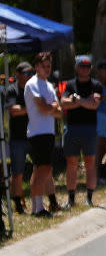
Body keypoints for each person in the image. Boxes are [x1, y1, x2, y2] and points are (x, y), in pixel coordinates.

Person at [60, 56, 105, 208]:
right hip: (72, 128)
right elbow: (63, 103)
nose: (85, 68)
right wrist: (85, 101)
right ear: (76, 67)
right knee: (71, 163)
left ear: (90, 68)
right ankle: (71, 199)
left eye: (87, 66)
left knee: (90, 162)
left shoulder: (96, 85)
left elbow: (95, 105)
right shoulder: (70, 85)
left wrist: (77, 100)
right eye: (82, 65)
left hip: (90, 129)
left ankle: (89, 197)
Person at [24, 52, 62, 216]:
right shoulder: (32, 84)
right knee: (43, 169)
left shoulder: (48, 85)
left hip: (48, 132)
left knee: (42, 169)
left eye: (49, 66)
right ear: (36, 66)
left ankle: (38, 206)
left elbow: (59, 112)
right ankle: (38, 208)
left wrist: (52, 106)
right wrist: (52, 106)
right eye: (44, 66)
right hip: (37, 133)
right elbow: (44, 108)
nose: (47, 69)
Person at [6, 62, 33, 214]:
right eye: (26, 73)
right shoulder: (12, 90)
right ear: (18, 74)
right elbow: (14, 110)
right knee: (17, 173)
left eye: (31, 73)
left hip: (34, 135)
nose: (29, 77)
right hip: (18, 138)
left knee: (42, 168)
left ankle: (41, 200)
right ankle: (17, 205)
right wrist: (32, 109)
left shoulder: (33, 88)